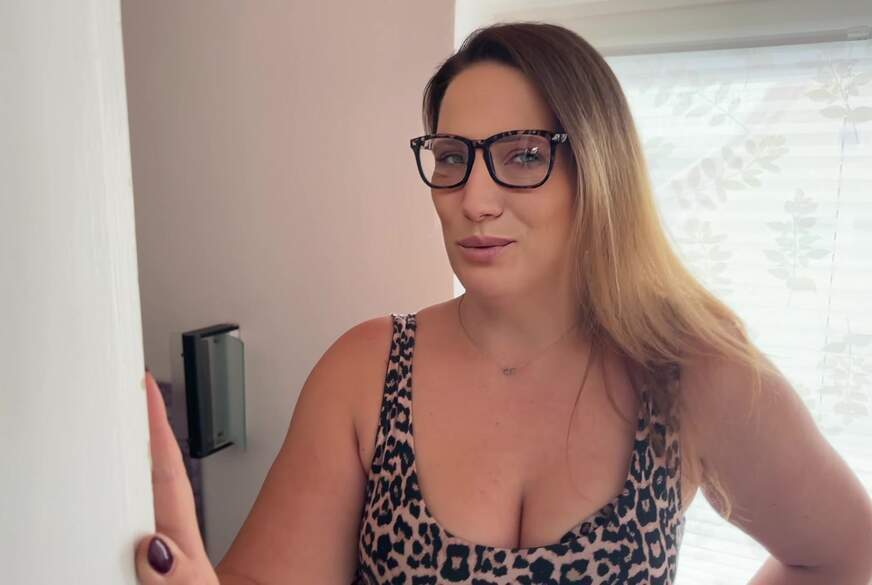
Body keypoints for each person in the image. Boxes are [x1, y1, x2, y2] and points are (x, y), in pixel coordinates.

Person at [135, 22, 872, 585]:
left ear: (598, 169)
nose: (474, 198)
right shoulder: (366, 373)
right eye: (452, 158)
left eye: (522, 155)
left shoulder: (690, 375)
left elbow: (849, 553)